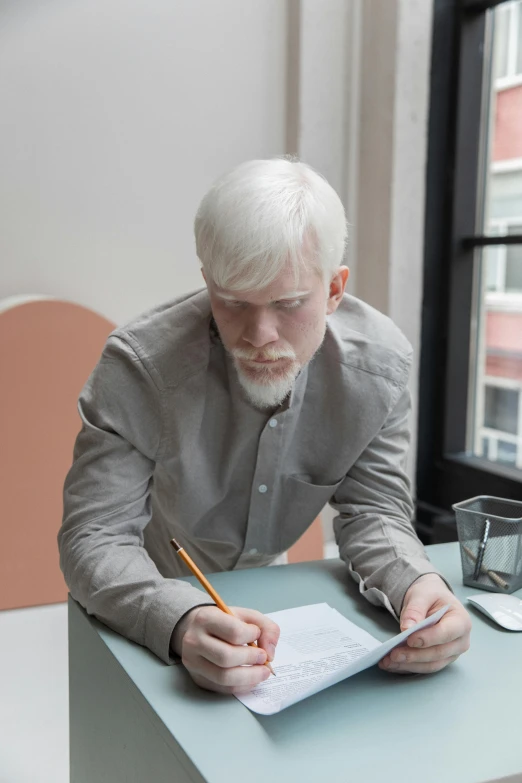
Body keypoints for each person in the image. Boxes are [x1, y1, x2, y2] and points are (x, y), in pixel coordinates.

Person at [59, 158, 471, 696]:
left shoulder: (379, 368)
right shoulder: (139, 370)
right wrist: (179, 620)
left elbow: (373, 511)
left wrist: (418, 583)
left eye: (288, 303)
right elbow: (96, 536)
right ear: (207, 282)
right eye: (232, 302)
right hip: (150, 582)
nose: (259, 335)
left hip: (276, 600)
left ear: (334, 289)